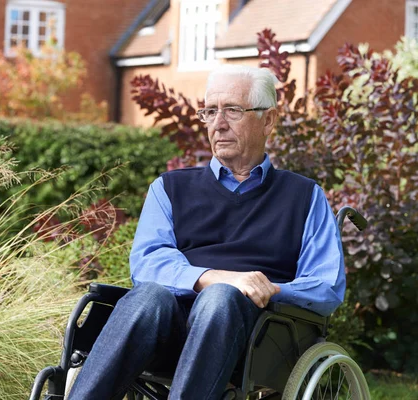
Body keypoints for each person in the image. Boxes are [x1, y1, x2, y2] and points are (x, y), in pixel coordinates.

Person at [67, 64, 345, 399]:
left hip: (256, 337)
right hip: (166, 332)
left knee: (221, 299)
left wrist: (266, 289)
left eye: (232, 110)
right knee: (148, 296)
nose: (218, 123)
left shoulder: (304, 196)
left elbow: (326, 286)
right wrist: (216, 277)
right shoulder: (169, 188)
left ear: (268, 120)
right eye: (210, 111)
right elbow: (147, 263)